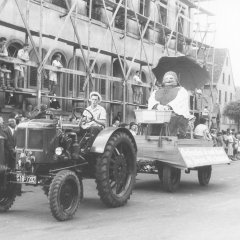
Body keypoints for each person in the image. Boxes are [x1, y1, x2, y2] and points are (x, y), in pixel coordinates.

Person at [148, 71, 191, 137]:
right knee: (152, 120)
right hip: (159, 113)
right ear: (163, 81)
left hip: (175, 114)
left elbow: (180, 101)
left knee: (172, 120)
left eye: (171, 78)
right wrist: (157, 106)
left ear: (176, 80)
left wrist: (169, 106)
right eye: (166, 78)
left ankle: (170, 137)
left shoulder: (181, 90)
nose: (168, 80)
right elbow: (152, 100)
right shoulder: (156, 91)